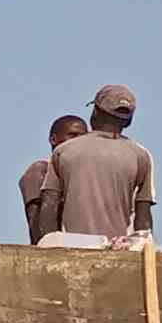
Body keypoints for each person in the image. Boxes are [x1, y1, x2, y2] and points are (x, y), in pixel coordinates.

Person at [45, 83, 154, 246]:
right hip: (118, 251)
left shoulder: (64, 151)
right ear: (128, 122)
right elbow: (143, 219)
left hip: (72, 248)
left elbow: (49, 207)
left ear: (95, 113)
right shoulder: (141, 155)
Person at [20, 114, 87, 243]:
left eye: (83, 137)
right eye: (73, 135)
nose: (78, 142)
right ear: (53, 139)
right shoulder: (40, 170)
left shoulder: (88, 172)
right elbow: (36, 223)